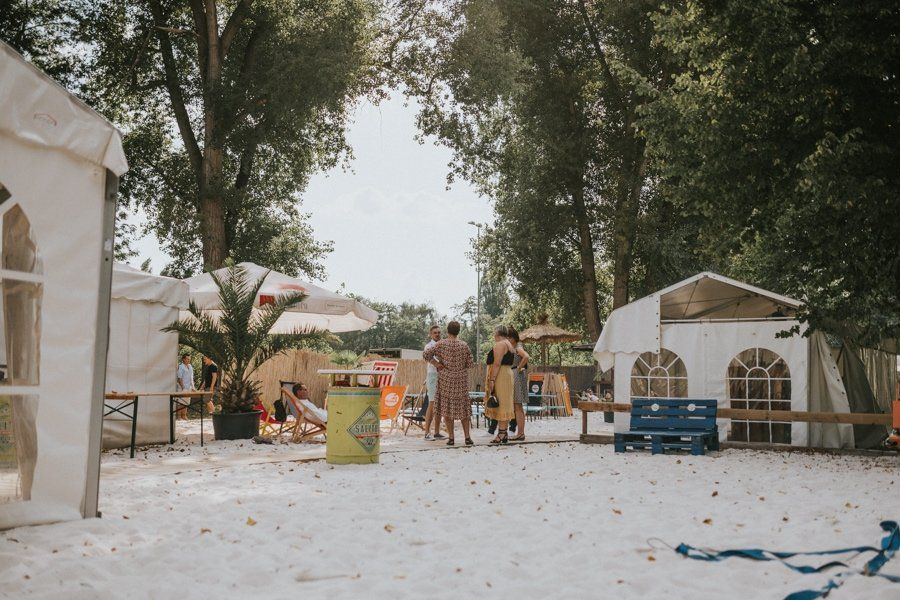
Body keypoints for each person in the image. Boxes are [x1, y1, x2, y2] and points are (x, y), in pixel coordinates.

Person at [423, 320, 475, 446]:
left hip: (446, 379)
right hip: (461, 380)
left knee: (447, 408)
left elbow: (426, 355)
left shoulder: (441, 344)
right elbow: (470, 363)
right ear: (458, 331)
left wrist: (437, 364)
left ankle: (451, 438)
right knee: (463, 409)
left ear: (447, 331)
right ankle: (467, 437)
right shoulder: (464, 345)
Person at [484, 325, 516, 444]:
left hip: (501, 374)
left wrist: (492, 380)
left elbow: (497, 364)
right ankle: (504, 432)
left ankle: (501, 433)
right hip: (508, 373)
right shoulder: (509, 344)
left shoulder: (500, 344)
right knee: (506, 402)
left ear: (497, 333)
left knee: (501, 403)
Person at [422, 325, 446, 441]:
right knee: (432, 403)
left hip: (442, 376)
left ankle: (437, 432)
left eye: (439, 332)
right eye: (435, 333)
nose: (437, 334)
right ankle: (427, 432)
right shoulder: (429, 346)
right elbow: (428, 358)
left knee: (440, 405)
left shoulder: (443, 345)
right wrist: (438, 365)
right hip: (432, 376)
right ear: (431, 334)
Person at [506, 327, 530, 441]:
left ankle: (520, 433)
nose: (507, 340)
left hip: (517, 375)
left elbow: (526, 356)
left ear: (513, 338)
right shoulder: (515, 347)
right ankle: (520, 433)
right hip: (516, 374)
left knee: (518, 406)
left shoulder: (518, 347)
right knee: (517, 406)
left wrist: (518, 368)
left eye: (509, 337)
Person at [175, 353, 194, 419]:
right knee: (180, 402)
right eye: (187, 359)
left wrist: (193, 387)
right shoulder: (181, 366)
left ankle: (184, 415)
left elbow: (191, 377)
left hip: (189, 387)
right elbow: (179, 378)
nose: (189, 360)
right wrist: (183, 388)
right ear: (183, 359)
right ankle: (179, 416)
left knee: (186, 402)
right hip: (182, 388)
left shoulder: (190, 366)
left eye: (189, 359)